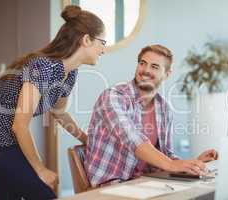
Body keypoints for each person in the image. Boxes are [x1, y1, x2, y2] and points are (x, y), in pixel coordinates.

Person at [0, 5, 106, 199]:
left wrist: (86, 140)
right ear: (86, 40)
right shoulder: (42, 66)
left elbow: (59, 112)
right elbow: (20, 126)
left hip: (9, 139)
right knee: (43, 194)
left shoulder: (70, 73)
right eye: (102, 42)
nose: (104, 49)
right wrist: (41, 169)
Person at [84, 44, 217, 187]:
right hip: (111, 185)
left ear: (167, 74)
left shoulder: (164, 108)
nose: (146, 70)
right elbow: (133, 140)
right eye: (142, 63)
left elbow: (166, 157)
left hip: (146, 183)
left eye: (154, 66)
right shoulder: (114, 97)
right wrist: (172, 164)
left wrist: (194, 164)